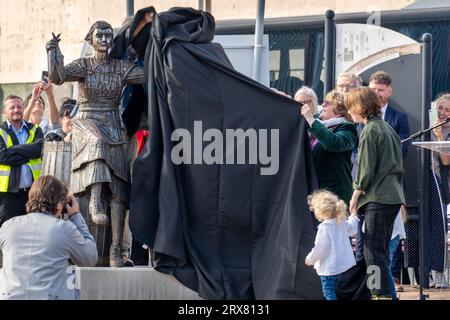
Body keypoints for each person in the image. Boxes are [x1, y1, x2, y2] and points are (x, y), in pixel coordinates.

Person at [46, 21, 145, 267]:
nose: (104, 38)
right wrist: (53, 52)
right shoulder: (84, 65)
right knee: (97, 143)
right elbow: (58, 77)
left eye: (108, 35)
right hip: (87, 119)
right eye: (99, 34)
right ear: (90, 38)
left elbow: (146, 75)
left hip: (113, 120)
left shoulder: (121, 67)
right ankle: (95, 199)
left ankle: (115, 251)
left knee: (121, 185)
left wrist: (157, 52)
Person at [346, 87, 405, 299]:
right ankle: (383, 294)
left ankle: (378, 294)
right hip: (390, 197)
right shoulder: (386, 128)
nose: (349, 111)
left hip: (377, 198)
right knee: (378, 251)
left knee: (372, 252)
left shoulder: (370, 130)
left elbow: (366, 168)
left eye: (351, 106)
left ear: (360, 107)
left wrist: (355, 195)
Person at [0, 175, 97, 300]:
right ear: (60, 204)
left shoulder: (8, 226)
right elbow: (89, 258)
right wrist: (76, 216)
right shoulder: (65, 229)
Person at [367, 71, 410, 291]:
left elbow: (402, 150)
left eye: (380, 90)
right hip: (368, 189)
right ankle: (376, 289)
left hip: (387, 188)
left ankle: (387, 284)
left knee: (386, 240)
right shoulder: (360, 121)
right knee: (371, 245)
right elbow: (358, 153)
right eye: (373, 90)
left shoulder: (398, 118)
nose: (377, 94)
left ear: (389, 91)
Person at [300, 90, 357, 204]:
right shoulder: (316, 123)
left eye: (328, 102)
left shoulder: (347, 128)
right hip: (313, 192)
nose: (324, 104)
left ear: (339, 109)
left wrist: (311, 120)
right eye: (324, 102)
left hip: (335, 196)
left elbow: (333, 143)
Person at [305, 190, 359, 300]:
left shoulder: (324, 228)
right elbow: (353, 229)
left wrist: (310, 259)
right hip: (339, 268)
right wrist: (353, 215)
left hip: (329, 268)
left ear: (320, 212)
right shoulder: (341, 222)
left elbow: (321, 248)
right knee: (332, 289)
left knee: (328, 291)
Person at [0, 95, 43, 227]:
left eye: (19, 107)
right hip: (8, 196)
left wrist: (12, 149)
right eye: (12, 107)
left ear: (23, 109)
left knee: (31, 233)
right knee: (7, 232)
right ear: (4, 112)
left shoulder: (35, 129)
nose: (16, 110)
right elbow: (3, 156)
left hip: (33, 194)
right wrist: (28, 153)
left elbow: (38, 150)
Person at [427, 94, 450, 288]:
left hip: (440, 183)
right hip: (421, 180)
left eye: (447, 110)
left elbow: (445, 161)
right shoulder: (425, 126)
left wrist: (440, 137)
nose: (442, 113)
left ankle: (440, 272)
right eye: (440, 108)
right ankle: (423, 272)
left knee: (438, 227)